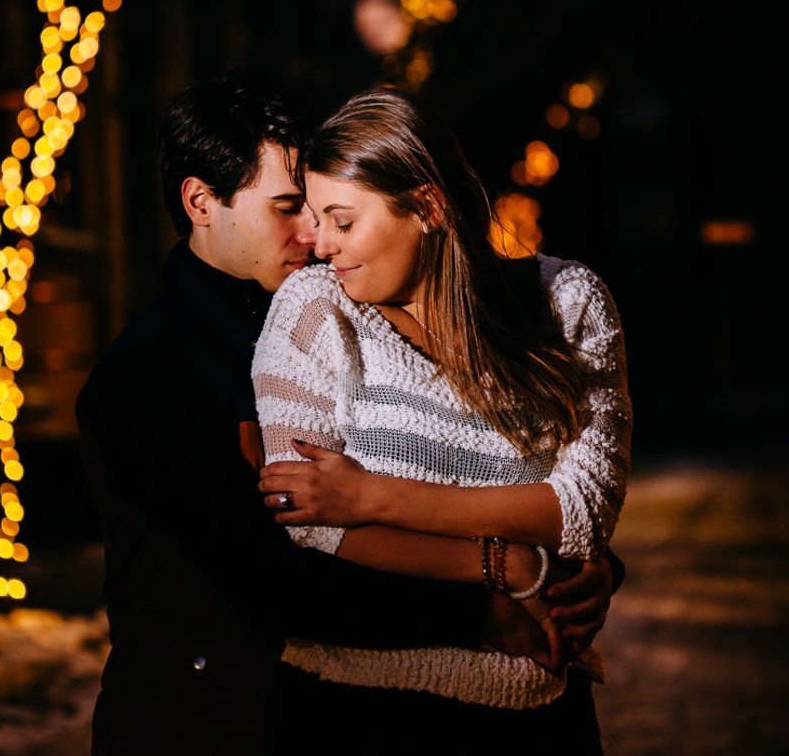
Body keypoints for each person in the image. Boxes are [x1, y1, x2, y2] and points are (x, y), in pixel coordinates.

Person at [74, 71, 619, 755]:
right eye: (287, 207)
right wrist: (493, 586)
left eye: (328, 210)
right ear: (200, 202)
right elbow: (275, 577)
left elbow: (483, 467)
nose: (312, 234)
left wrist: (575, 563)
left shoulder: (349, 307)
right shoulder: (152, 375)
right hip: (209, 725)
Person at [251, 88, 632, 750]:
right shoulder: (315, 310)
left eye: (343, 221)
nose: (321, 246)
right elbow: (307, 522)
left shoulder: (567, 302)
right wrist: (505, 564)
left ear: (428, 206)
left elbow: (581, 509)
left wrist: (371, 497)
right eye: (316, 221)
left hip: (533, 715)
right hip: (350, 712)